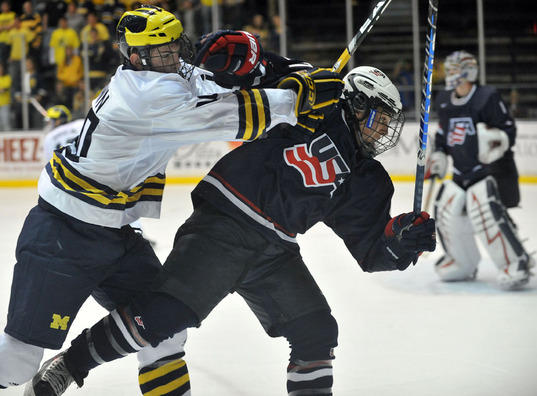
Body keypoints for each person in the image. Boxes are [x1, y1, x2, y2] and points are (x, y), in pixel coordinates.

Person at [26, 66, 437, 396]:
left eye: (388, 125)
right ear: (356, 102)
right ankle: (69, 366)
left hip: (276, 250)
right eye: (378, 120)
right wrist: (282, 71)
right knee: (163, 316)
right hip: (224, 224)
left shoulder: (369, 179)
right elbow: (251, 71)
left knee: (317, 331)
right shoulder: (315, 99)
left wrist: (400, 242)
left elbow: (372, 253)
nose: (383, 133)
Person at [0, 5, 344, 394]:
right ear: (135, 56)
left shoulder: (161, 72)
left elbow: (221, 81)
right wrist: (295, 99)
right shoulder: (146, 96)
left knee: (163, 332)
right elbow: (230, 114)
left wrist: (291, 71)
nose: (176, 57)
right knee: (17, 360)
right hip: (64, 233)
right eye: (163, 52)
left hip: (115, 231)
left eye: (175, 47)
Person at [425, 50, 534, 289]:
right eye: (449, 69)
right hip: (459, 174)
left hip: (485, 173)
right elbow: (443, 136)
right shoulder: (444, 99)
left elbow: (508, 130)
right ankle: (461, 262)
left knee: (485, 213)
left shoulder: (486, 97)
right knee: (445, 210)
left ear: (469, 71)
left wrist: (495, 140)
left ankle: (515, 262)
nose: (450, 74)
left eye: (455, 69)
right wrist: (439, 154)